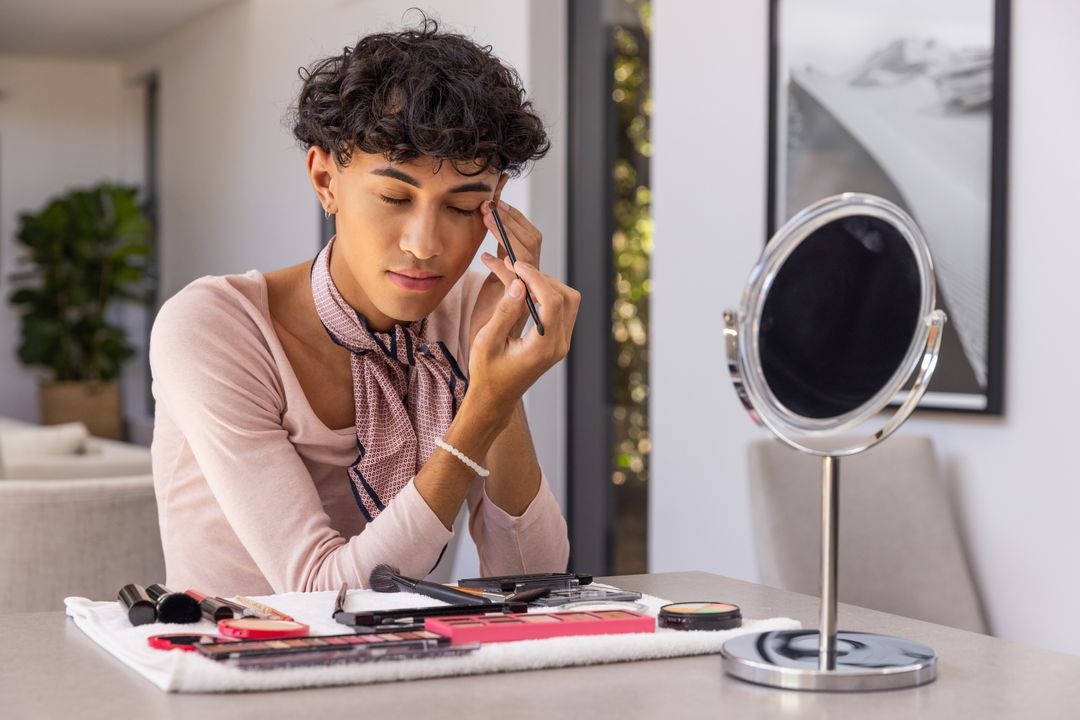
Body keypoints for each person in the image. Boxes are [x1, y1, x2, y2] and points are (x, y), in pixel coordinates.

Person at [149, 18, 579, 596]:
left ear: (494, 209)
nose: (424, 245)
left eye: (461, 207)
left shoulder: (469, 317)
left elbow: (533, 584)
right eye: (395, 197)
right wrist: (483, 407)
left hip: (411, 648)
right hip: (234, 649)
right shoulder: (214, 328)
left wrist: (498, 378)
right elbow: (322, 594)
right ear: (325, 180)